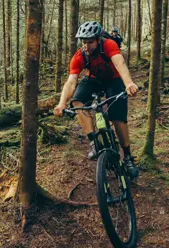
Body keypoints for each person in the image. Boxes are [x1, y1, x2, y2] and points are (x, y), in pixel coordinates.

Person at [53, 21, 141, 177]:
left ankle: (127, 157)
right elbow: (71, 81)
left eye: (90, 42)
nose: (86, 45)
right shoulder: (80, 55)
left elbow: (120, 63)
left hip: (114, 80)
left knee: (118, 118)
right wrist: (61, 104)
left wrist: (128, 83)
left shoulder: (109, 45)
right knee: (77, 101)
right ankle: (94, 142)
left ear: (98, 39)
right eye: (84, 42)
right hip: (93, 79)